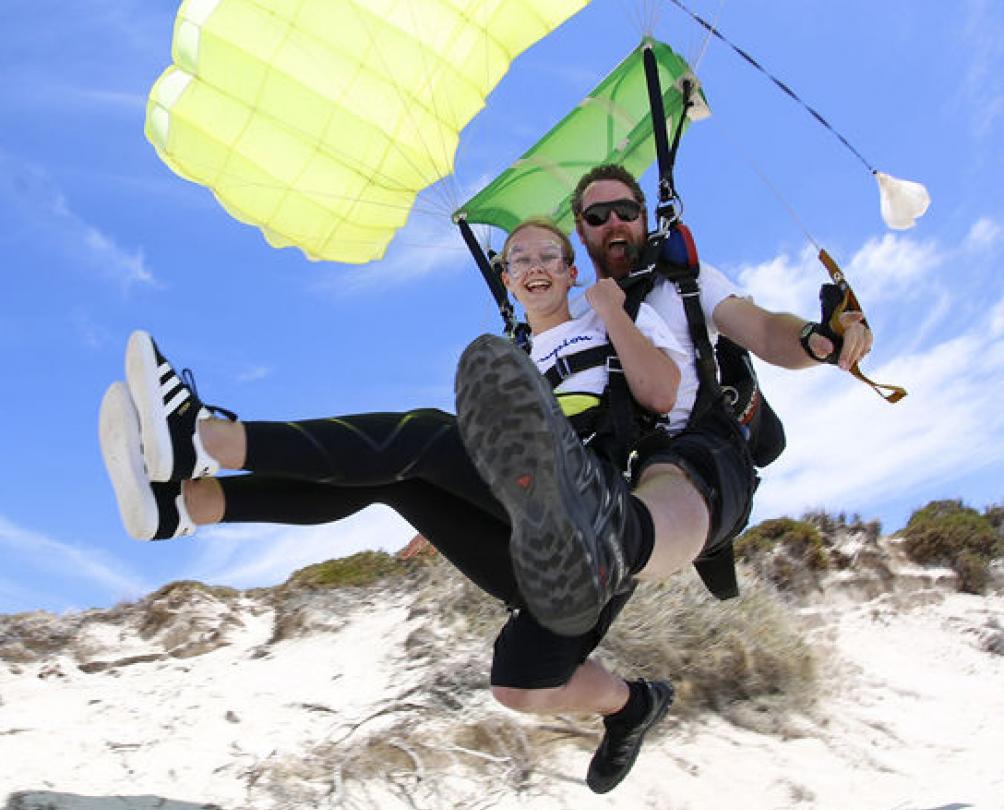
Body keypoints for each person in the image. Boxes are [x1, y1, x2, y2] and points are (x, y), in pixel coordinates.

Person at [99, 216, 688, 793]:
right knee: (404, 488)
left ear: (570, 270)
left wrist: (612, 308)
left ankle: (205, 439)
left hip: (599, 523)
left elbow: (663, 393)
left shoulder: (609, 327)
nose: (534, 267)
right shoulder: (512, 364)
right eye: (519, 260)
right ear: (505, 279)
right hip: (536, 543)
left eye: (547, 257)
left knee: (424, 438)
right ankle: (192, 505)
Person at [455, 162, 873, 645]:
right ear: (582, 237)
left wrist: (814, 338)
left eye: (625, 210)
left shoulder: (685, 283)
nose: (613, 222)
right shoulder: (579, 314)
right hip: (620, 470)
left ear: (644, 217)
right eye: (597, 217)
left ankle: (647, 541)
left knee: (662, 478)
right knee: (539, 656)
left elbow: (761, 329)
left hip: (704, 449)